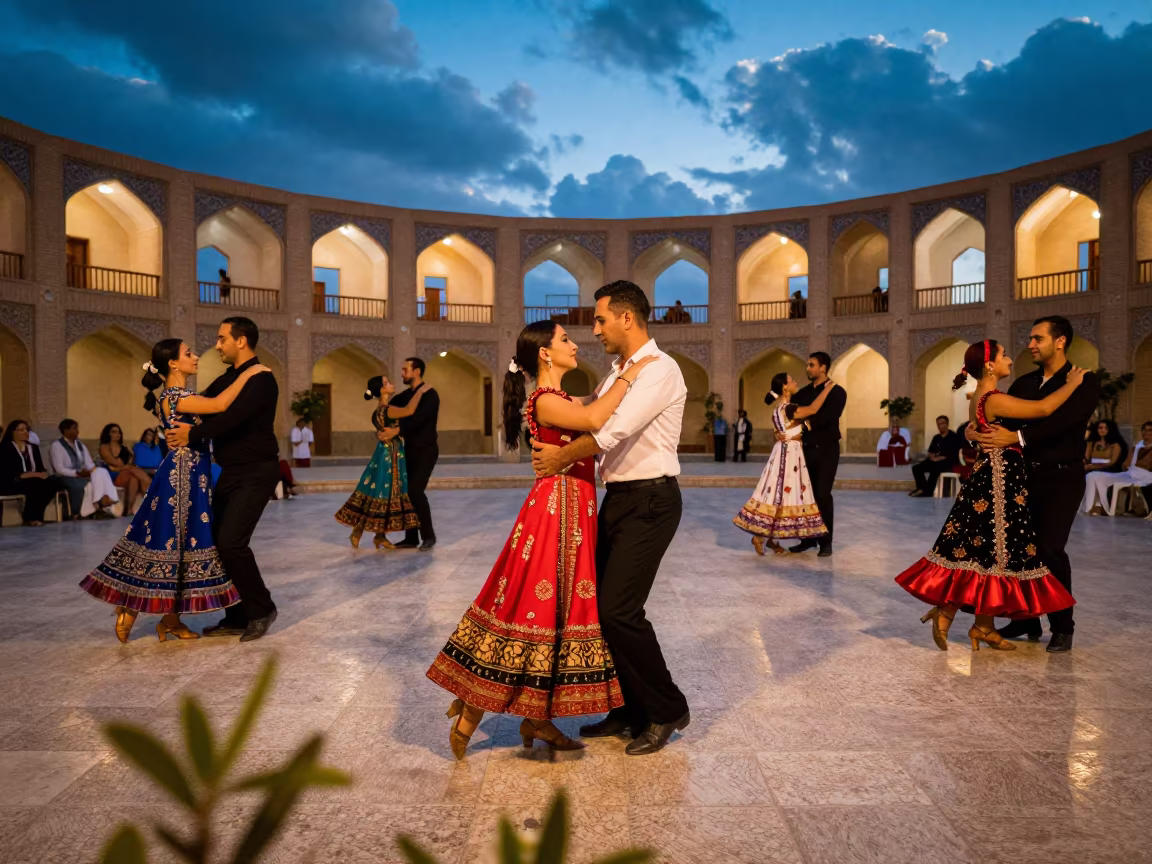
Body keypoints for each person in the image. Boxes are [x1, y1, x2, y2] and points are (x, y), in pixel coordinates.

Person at [426, 320, 656, 759]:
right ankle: (473, 712)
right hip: (556, 512)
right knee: (530, 609)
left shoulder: (561, 397)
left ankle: (538, 718)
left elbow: (594, 403)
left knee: (554, 612)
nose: (575, 344)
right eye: (565, 340)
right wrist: (631, 372)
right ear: (545, 354)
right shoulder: (546, 400)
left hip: (573, 512)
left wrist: (621, 371)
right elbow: (593, 417)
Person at [531, 280, 691, 757]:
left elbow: (611, 428)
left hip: (652, 500)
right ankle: (628, 708)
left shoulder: (659, 369)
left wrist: (559, 460)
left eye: (600, 319)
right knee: (597, 611)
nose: (594, 329)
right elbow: (583, 410)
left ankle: (666, 709)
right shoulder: (620, 371)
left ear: (627, 317)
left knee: (620, 610)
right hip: (620, 500)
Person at [898, 339, 1085, 651]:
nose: (1010, 359)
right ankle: (954, 612)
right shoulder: (994, 398)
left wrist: (973, 433)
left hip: (993, 475)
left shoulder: (979, 399)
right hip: (1000, 480)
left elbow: (976, 428)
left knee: (990, 551)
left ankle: (982, 625)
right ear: (989, 365)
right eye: (1005, 355)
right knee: (997, 549)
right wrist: (1074, 383)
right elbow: (1044, 408)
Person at [79, 339, 264, 642]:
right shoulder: (175, 396)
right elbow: (220, 405)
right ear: (173, 364)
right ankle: (129, 605)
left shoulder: (184, 395)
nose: (195, 357)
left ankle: (170, 619)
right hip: (182, 477)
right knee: (170, 541)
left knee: (180, 546)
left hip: (195, 475)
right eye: (188, 353)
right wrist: (250, 371)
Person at [968, 316, 1101, 653]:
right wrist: (971, 432)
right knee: (1018, 550)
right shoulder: (1024, 383)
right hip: (1022, 477)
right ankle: (1025, 619)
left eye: (1037, 338)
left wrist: (1018, 437)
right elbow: (998, 419)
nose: (1030, 344)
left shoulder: (1083, 381)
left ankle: (1062, 626)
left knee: (1049, 550)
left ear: (1060, 341)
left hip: (1062, 477)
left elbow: (1063, 423)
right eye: (1030, 338)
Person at [165, 317, 281, 642]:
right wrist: (168, 398)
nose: (217, 345)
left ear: (240, 341)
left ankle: (262, 609)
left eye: (222, 338)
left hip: (257, 469)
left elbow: (230, 418)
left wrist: (194, 434)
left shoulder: (261, 379)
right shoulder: (230, 378)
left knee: (232, 541)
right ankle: (237, 614)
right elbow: (204, 403)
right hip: (232, 471)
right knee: (217, 542)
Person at [734, 372, 837, 555]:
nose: (796, 382)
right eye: (792, 380)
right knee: (782, 494)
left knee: (778, 494)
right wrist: (828, 389)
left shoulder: (778, 409)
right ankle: (760, 536)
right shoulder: (789, 408)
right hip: (789, 455)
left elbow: (791, 428)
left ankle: (770, 540)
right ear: (784, 387)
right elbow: (813, 409)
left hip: (784, 452)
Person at [334, 375, 420, 549]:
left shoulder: (378, 410)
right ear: (381, 390)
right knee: (385, 492)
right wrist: (421, 391)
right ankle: (363, 532)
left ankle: (376, 535)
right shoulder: (388, 410)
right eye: (387, 383)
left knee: (382, 491)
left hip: (385, 452)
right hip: (391, 454)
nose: (391, 384)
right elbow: (411, 410)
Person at [787, 352, 846, 557]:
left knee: (822, 494)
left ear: (823, 367)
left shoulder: (837, 392)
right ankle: (807, 539)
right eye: (807, 364)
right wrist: (805, 420)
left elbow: (830, 417)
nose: (808, 368)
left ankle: (826, 541)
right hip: (805, 450)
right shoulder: (802, 393)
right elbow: (793, 414)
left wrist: (807, 421)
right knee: (805, 496)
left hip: (827, 450)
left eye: (811, 365)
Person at [387, 357, 439, 551]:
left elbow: (420, 420)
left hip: (426, 449)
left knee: (416, 491)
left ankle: (428, 536)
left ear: (417, 371)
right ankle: (411, 538)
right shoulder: (404, 396)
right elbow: (388, 409)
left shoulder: (430, 395)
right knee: (406, 493)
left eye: (405, 369)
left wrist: (397, 431)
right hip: (408, 450)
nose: (402, 373)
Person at [0, 419, 68, 525]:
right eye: (21, 430)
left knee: (54, 483)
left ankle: (35, 516)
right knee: (35, 484)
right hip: (12, 481)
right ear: (13, 432)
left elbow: (39, 467)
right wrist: (34, 475)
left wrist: (43, 474)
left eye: (27, 430)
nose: (25, 432)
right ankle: (31, 517)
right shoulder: (5, 448)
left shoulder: (33, 448)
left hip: (33, 480)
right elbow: (9, 473)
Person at [51, 419, 118, 519]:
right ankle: (81, 512)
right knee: (83, 485)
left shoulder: (80, 445)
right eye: (74, 429)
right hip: (65, 476)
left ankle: (104, 502)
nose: (77, 431)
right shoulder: (57, 446)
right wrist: (77, 473)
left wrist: (92, 470)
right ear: (66, 431)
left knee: (101, 471)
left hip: (82, 474)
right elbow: (59, 468)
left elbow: (89, 463)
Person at [1082, 420, 1152, 514]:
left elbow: (1145, 464)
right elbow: (1126, 464)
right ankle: (1091, 507)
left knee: (1094, 472)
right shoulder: (1136, 447)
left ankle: (1103, 508)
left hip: (1145, 476)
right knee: (1092, 476)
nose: (1146, 433)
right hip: (1130, 473)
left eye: (1150, 430)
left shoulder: (1118, 445)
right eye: (1144, 430)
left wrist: (1135, 464)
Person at [98, 424, 151, 518]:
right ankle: (149, 492)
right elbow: (114, 462)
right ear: (108, 434)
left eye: (118, 432)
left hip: (124, 473)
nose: (117, 434)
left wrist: (129, 461)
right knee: (135, 473)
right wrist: (123, 467)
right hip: (109, 474)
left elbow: (128, 463)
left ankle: (129, 510)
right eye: (114, 432)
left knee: (133, 478)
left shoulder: (124, 449)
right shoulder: (104, 447)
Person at [909, 416, 963, 496]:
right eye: (939, 424)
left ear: (947, 424)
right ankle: (922, 488)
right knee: (916, 468)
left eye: (943, 423)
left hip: (949, 462)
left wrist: (938, 458)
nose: (941, 426)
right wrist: (933, 457)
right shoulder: (936, 438)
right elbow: (931, 451)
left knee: (935, 469)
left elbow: (951, 454)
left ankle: (928, 491)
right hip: (936, 460)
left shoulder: (953, 437)